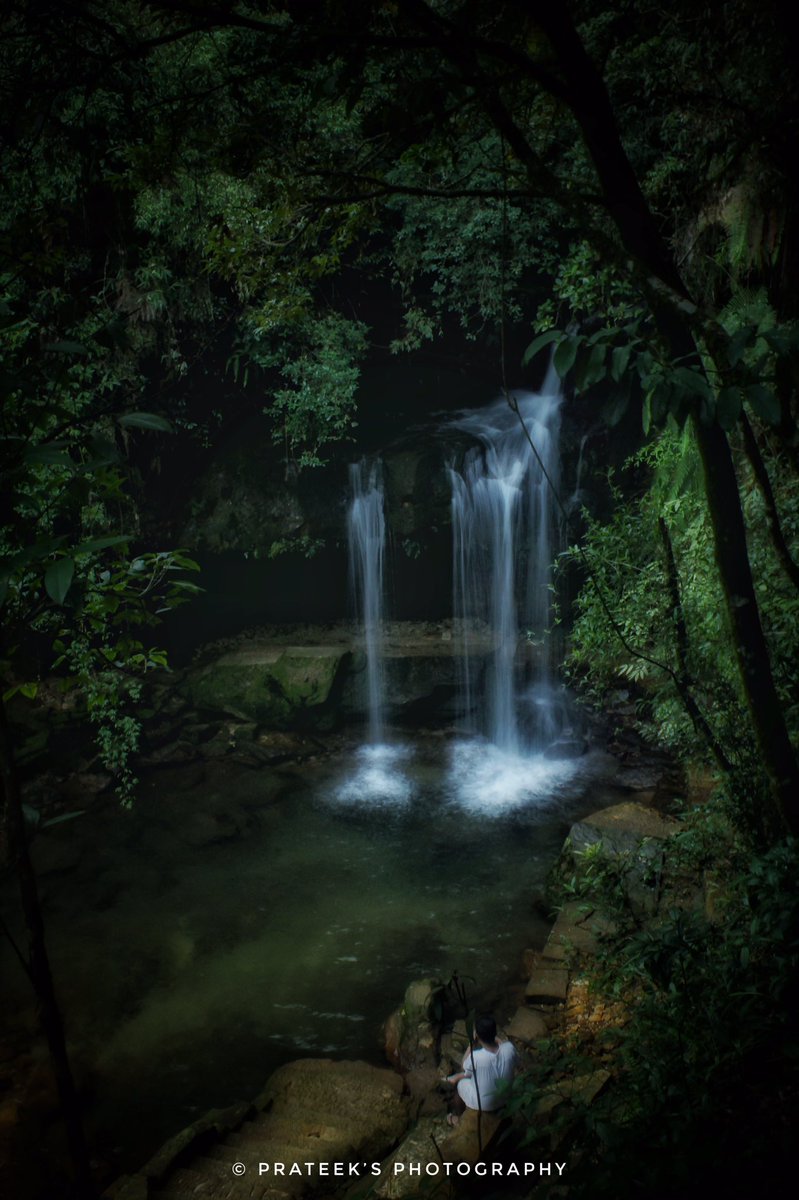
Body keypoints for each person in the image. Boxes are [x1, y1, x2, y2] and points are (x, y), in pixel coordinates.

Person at [444, 1015, 518, 1126]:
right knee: (470, 1074)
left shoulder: (476, 1057)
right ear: (495, 1032)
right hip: (506, 1097)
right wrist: (497, 1039)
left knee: (460, 1084)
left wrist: (471, 1045)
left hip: (485, 1104)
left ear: (477, 1036)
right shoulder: (509, 1048)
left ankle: (459, 1119)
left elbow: (463, 1066)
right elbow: (506, 1049)